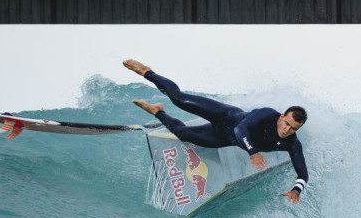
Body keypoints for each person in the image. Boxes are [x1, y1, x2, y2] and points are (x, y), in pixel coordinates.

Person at [124, 59, 308, 204]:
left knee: (183, 134)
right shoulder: (268, 114)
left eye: (293, 129)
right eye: (286, 123)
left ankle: (157, 111)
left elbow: (302, 173)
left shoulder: (291, 143)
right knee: (179, 99)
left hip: (222, 137)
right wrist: (253, 152)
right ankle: (147, 72)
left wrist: (296, 190)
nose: (286, 130)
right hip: (225, 116)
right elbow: (240, 129)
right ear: (282, 116)